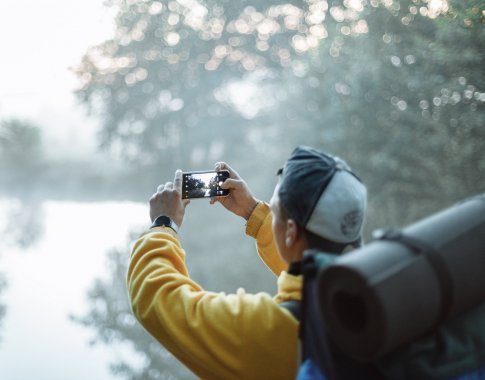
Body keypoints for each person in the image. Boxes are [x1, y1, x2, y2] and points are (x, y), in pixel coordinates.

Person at [127, 146, 367, 379]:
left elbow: (157, 299)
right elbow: (304, 264)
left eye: (275, 211)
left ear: (291, 232)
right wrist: (253, 211)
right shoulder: (375, 287)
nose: (272, 217)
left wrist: (163, 223)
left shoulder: (269, 332)